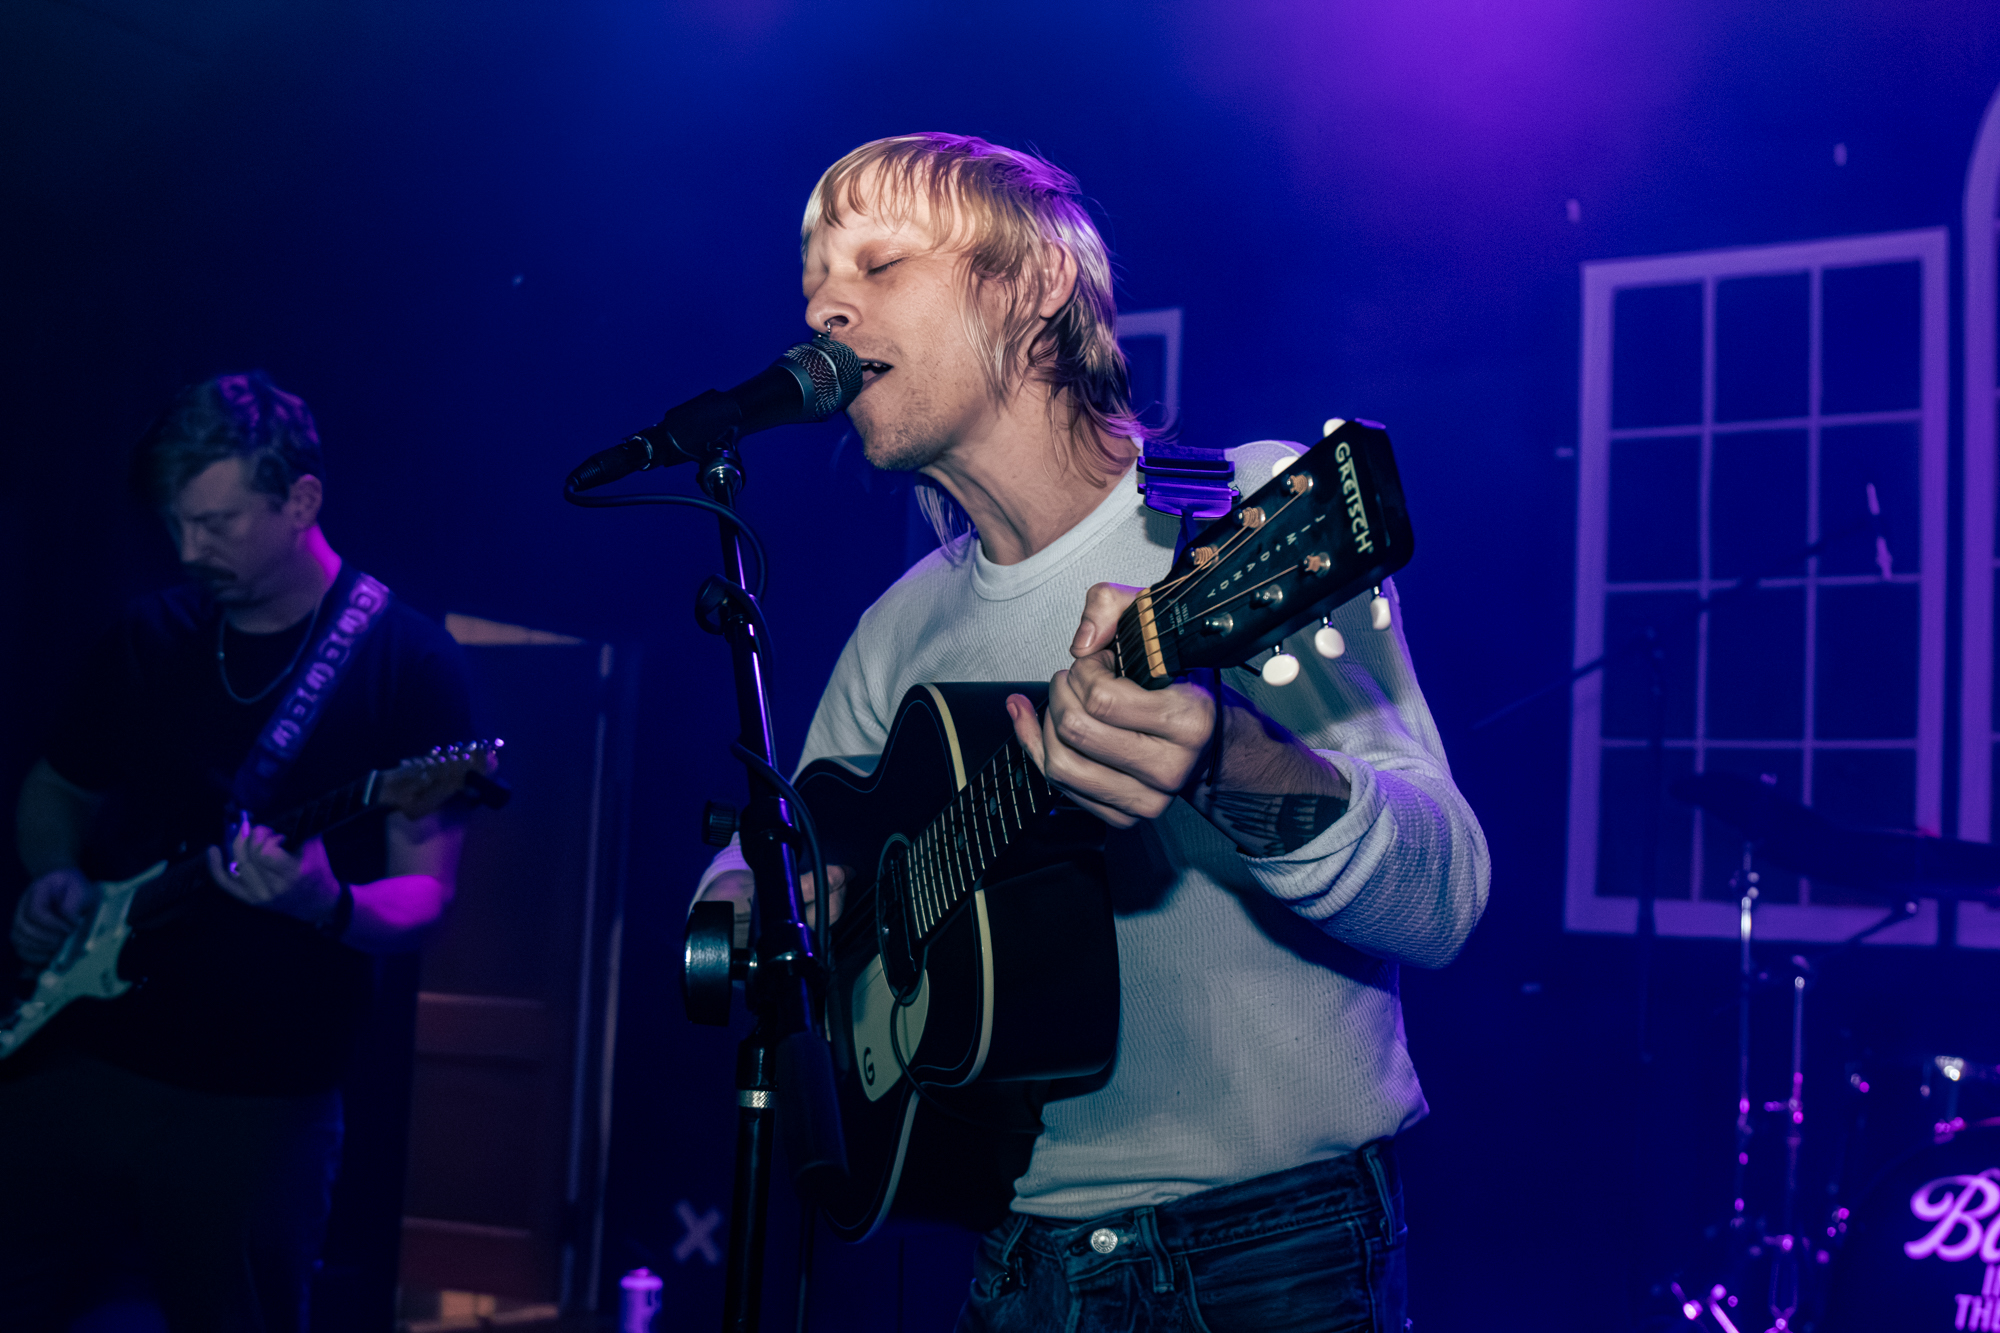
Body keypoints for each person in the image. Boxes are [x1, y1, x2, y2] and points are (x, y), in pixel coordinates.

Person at [696, 134, 1490, 1331]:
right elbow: (786, 849)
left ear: (1030, 285)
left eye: (877, 260)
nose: (823, 303)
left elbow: (1445, 901)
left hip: (1276, 1258)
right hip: (1017, 1269)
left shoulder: (1234, 514)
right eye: (813, 278)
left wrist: (1226, 757)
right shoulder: (897, 632)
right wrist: (751, 897)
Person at [1, 371, 474, 1332]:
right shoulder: (146, 635)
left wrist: (324, 905)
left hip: (256, 1101)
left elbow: (426, 895)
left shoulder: (408, 662)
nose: (188, 550)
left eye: (216, 524)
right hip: (76, 1053)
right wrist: (52, 872)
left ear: (300, 499)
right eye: (176, 524)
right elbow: (55, 787)